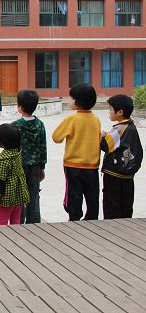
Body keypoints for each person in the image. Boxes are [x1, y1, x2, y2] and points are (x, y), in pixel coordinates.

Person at [52, 83, 101, 221]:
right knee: (92, 197)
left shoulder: (71, 119)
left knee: (74, 195)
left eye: (72, 98)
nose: (69, 101)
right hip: (92, 166)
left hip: (73, 165)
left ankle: (74, 218)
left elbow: (56, 137)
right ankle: (91, 219)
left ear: (79, 101)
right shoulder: (96, 120)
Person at [100, 94, 143, 219]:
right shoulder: (132, 127)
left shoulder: (119, 129)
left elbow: (106, 145)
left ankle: (112, 230)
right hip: (128, 176)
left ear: (120, 112)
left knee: (112, 205)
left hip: (114, 174)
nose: (109, 112)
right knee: (126, 205)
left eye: (110, 109)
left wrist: (102, 136)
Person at [11, 90, 47, 224]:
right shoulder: (40, 125)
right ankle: (34, 221)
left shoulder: (16, 125)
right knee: (34, 194)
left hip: (19, 166)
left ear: (19, 107)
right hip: (36, 166)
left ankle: (18, 221)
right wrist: (42, 167)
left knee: (19, 194)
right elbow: (43, 147)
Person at [0, 123, 30, 225]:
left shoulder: (4, 160)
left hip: (7, 195)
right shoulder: (17, 152)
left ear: (1, 142)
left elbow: (0, 180)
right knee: (16, 219)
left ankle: (1, 237)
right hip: (18, 192)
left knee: (2, 219)